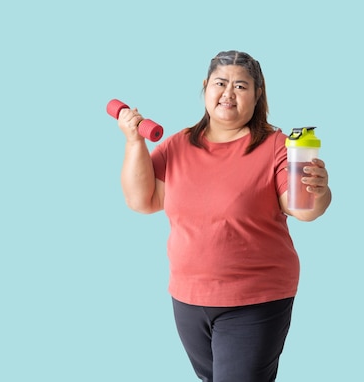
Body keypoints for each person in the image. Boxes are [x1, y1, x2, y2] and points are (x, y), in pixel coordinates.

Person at [116, 50, 331, 382]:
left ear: (258, 95)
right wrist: (133, 142)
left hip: (255, 299)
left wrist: (318, 189)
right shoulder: (178, 145)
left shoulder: (276, 145)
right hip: (189, 299)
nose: (228, 93)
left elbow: (303, 208)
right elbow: (142, 200)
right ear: (205, 87)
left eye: (241, 86)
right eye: (220, 83)